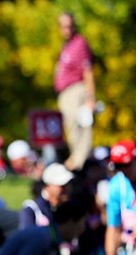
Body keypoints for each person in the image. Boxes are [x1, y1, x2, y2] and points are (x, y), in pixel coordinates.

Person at [54, 12, 96, 171]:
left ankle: (78, 162)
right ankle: (76, 161)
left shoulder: (80, 43)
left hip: (77, 90)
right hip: (65, 93)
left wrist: (90, 97)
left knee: (81, 128)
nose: (67, 29)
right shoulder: (67, 46)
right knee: (71, 130)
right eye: (63, 26)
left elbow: (88, 72)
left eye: (69, 26)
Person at [103, 139, 135, 255]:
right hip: (132, 253)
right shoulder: (117, 185)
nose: (124, 170)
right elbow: (113, 227)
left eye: (127, 165)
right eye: (119, 166)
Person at [18, 163, 73, 229]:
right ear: (48, 186)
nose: (67, 189)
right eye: (62, 185)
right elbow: (27, 236)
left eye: (68, 184)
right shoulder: (32, 210)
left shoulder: (69, 208)